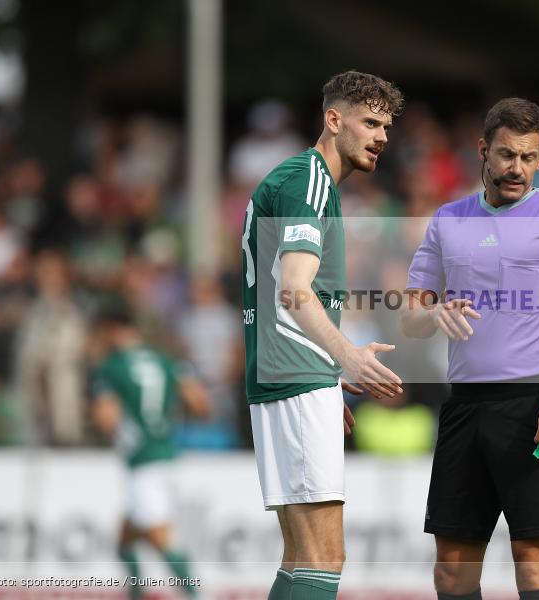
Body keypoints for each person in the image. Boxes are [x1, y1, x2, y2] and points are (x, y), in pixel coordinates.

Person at [402, 98, 539, 600]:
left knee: (533, 563)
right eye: (506, 155)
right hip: (465, 405)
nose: (517, 168)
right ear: (483, 151)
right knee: (451, 570)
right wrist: (432, 314)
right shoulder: (448, 219)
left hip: (532, 404)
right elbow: (409, 315)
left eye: (529, 157)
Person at [240, 71, 404, 599]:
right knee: (322, 557)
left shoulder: (303, 181)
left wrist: (328, 375)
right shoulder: (308, 180)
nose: (382, 136)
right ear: (333, 120)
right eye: (371, 122)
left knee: (300, 558)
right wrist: (346, 359)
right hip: (295, 375)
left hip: (290, 373)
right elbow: (294, 289)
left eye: (387, 126)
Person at [91, 303, 210, 600]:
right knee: (125, 539)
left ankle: (196, 594)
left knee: (159, 537)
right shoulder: (166, 360)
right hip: (166, 452)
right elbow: (200, 403)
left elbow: (105, 418)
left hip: (143, 459)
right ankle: (136, 593)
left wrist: (118, 425)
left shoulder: (111, 367)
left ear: (110, 330)